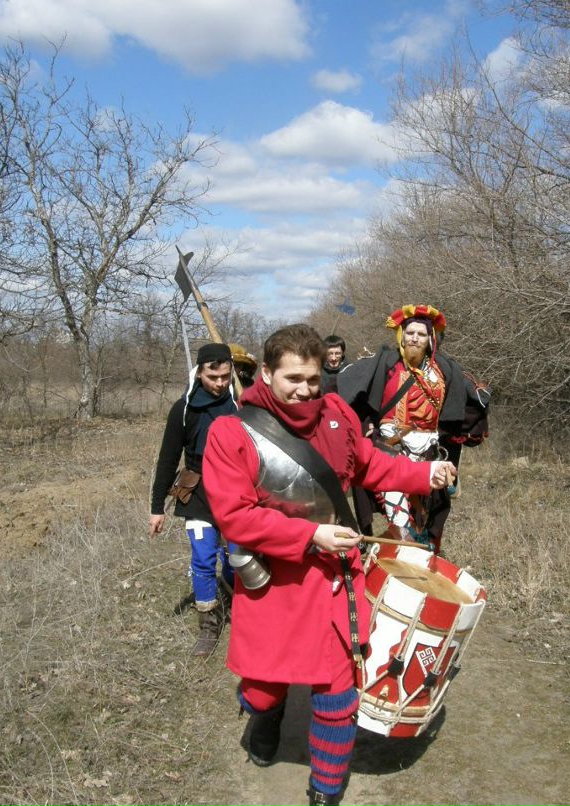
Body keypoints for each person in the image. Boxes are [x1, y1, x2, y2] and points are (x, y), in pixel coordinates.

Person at [201, 324, 457, 806]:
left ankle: (325, 790)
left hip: (334, 579)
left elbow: (371, 466)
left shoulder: (337, 414)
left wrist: (425, 474)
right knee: (262, 687)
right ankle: (266, 714)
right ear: (269, 372)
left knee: (337, 693)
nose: (305, 390)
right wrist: (309, 534)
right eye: (293, 378)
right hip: (272, 581)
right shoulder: (229, 433)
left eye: (314, 379)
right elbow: (234, 516)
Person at [336, 304, 472, 553]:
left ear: (430, 339)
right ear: (401, 335)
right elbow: (356, 395)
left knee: (427, 517)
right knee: (399, 518)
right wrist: (364, 425)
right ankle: (402, 561)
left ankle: (425, 558)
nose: (414, 338)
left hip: (429, 451)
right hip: (391, 450)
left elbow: (460, 408)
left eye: (421, 334)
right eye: (410, 333)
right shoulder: (385, 366)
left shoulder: (444, 371)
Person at [149, 342, 237, 657]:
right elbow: (168, 458)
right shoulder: (183, 409)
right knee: (202, 558)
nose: (220, 383)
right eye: (214, 376)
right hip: (198, 491)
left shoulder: (240, 403)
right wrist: (156, 508)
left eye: (226, 376)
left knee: (236, 557)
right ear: (199, 373)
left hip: (236, 490)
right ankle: (209, 625)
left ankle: (238, 604)